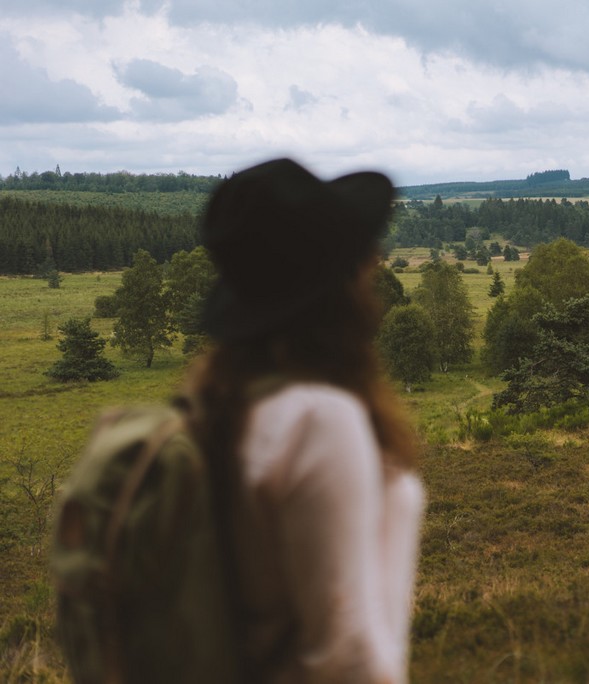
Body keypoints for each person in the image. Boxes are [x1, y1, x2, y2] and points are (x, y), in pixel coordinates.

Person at [183, 158, 424, 683]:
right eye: (365, 258)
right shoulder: (318, 419)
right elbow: (347, 658)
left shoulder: (218, 405)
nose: (376, 265)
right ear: (344, 286)